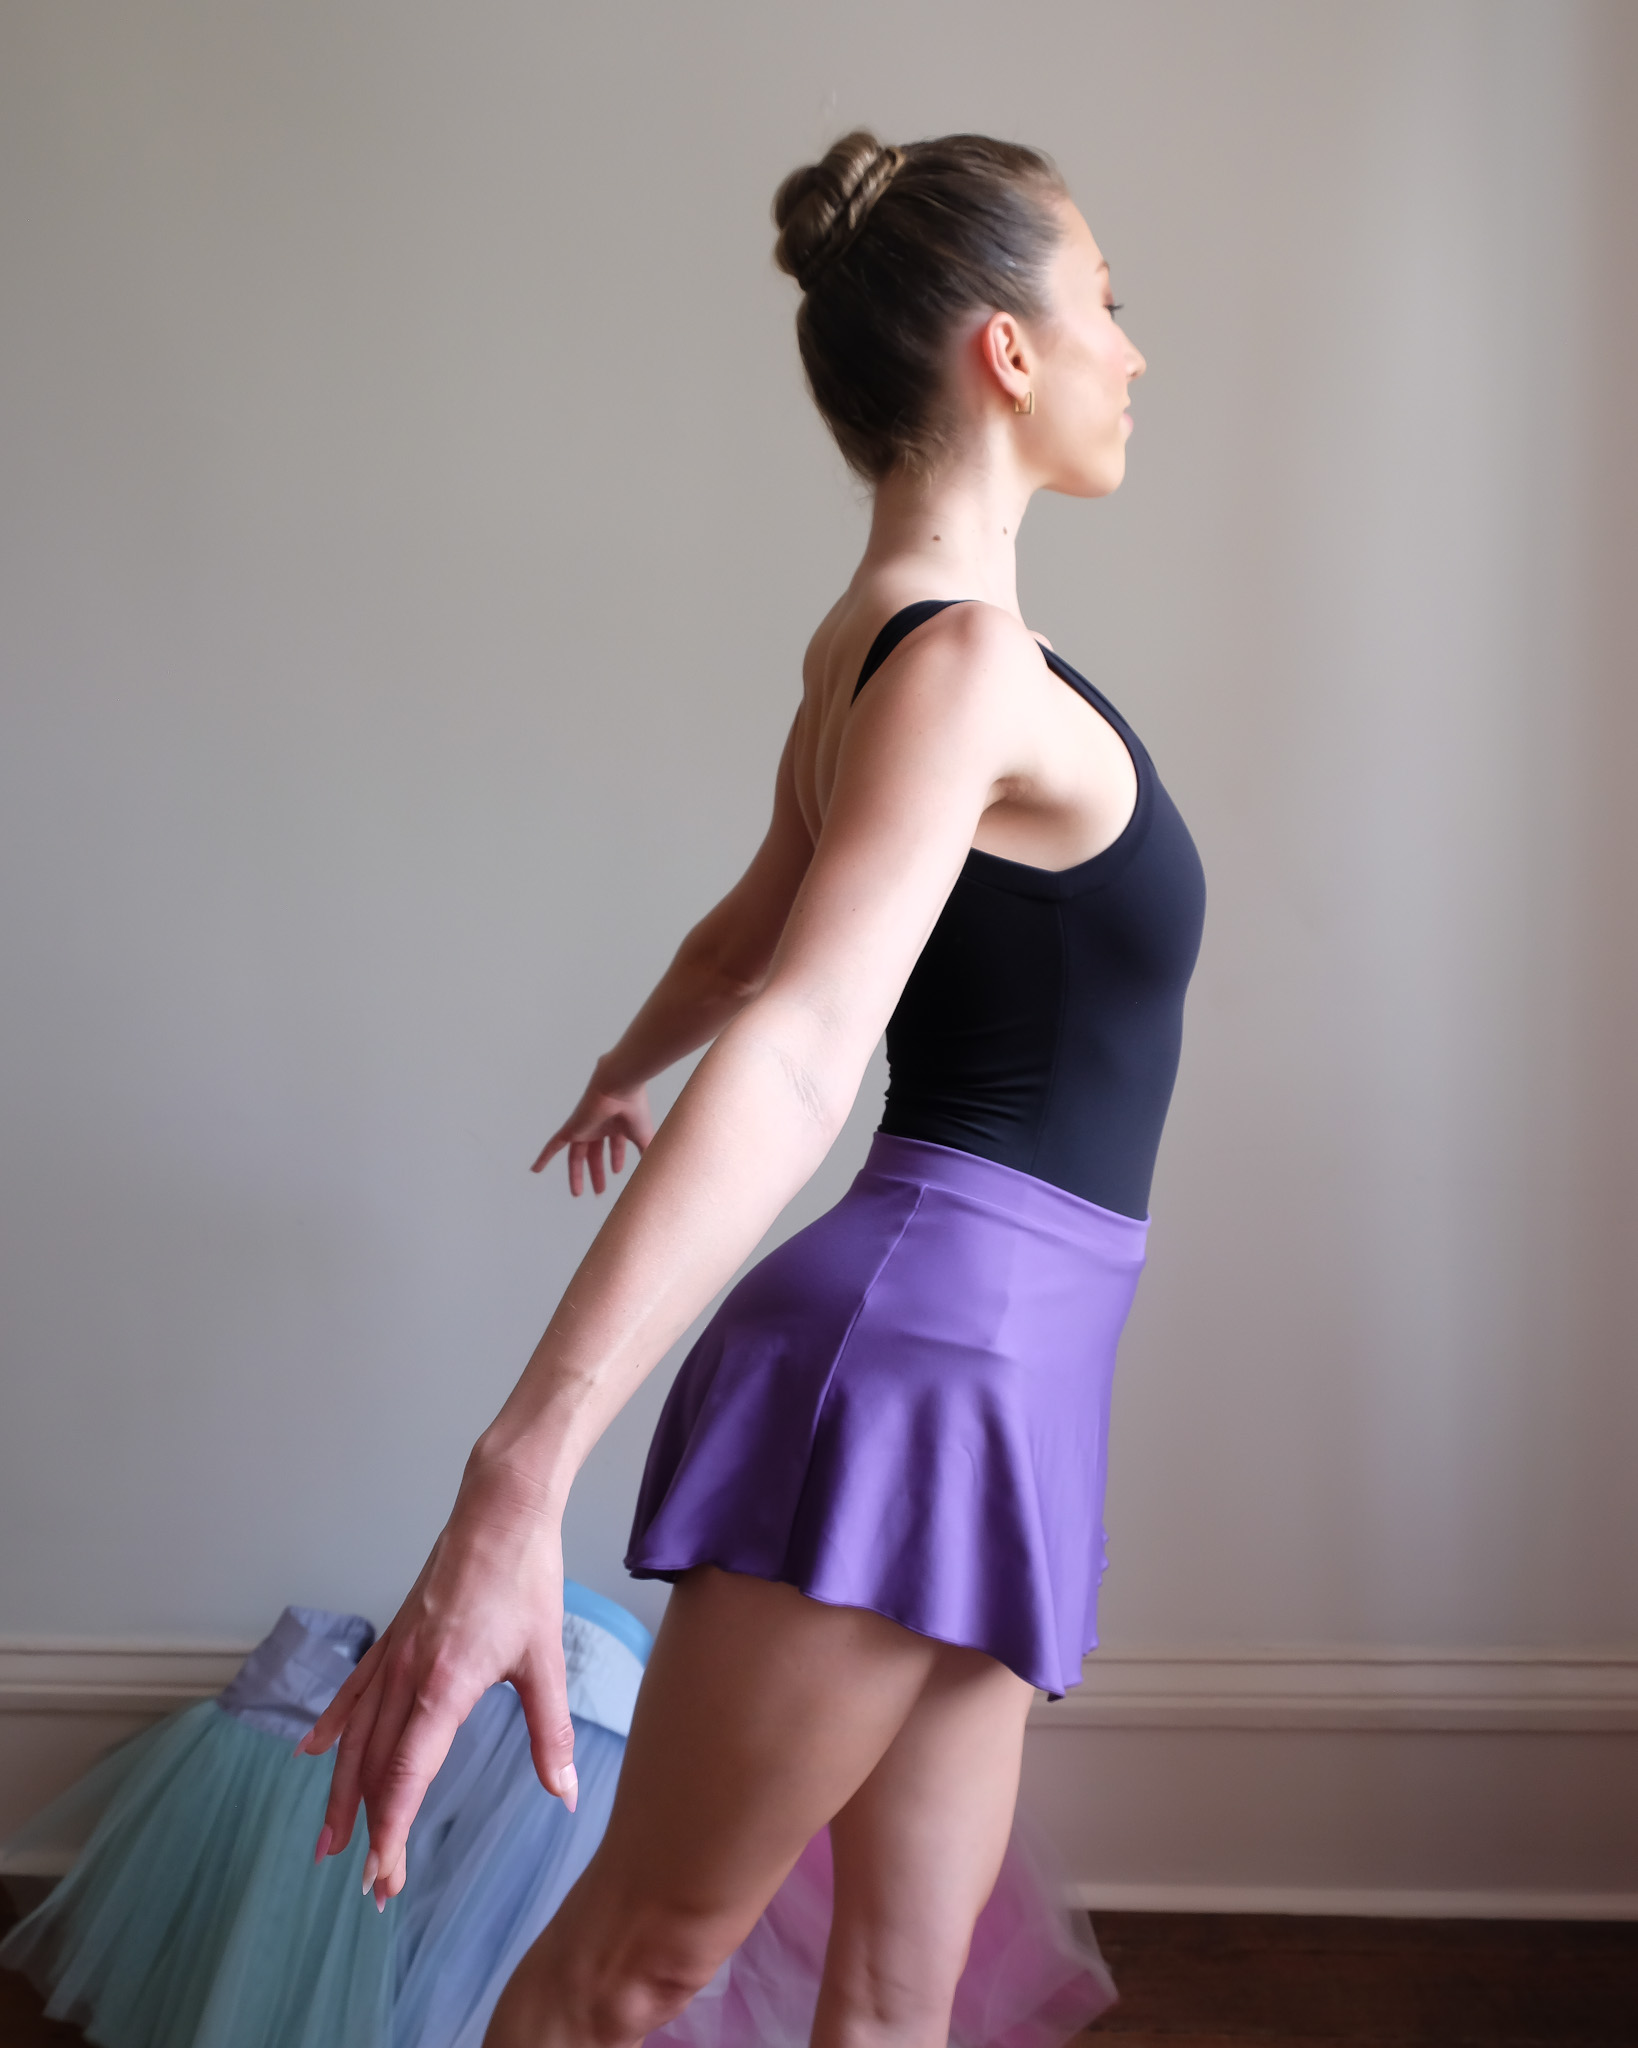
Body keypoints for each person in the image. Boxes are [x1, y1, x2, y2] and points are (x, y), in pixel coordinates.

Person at [298, 129, 1206, 2048]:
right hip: (925, 1360)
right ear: (1008, 350)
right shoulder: (960, 664)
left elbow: (740, 942)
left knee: (896, 2001)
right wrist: (518, 1472)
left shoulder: (868, 652)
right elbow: (797, 1031)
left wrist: (619, 1068)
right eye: (1106, 302)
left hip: (1009, 1374)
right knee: (630, 1972)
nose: (1134, 350)